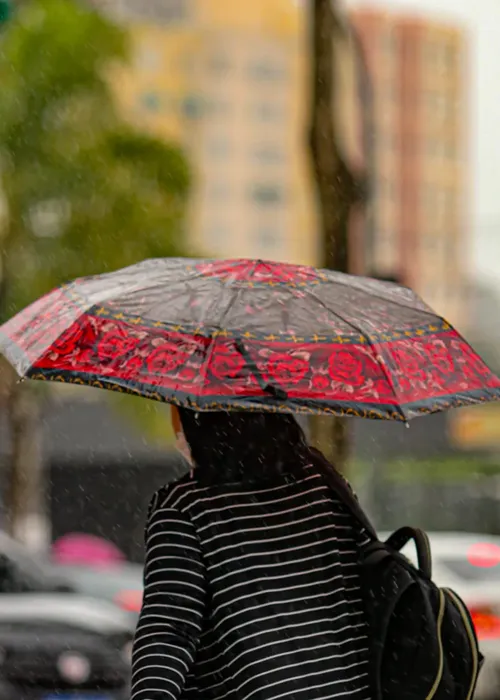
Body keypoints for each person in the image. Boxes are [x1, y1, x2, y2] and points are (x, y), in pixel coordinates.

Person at [131, 407, 371, 700]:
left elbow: (169, 633)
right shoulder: (325, 483)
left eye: (177, 407)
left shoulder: (185, 509)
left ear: (199, 420)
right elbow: (361, 592)